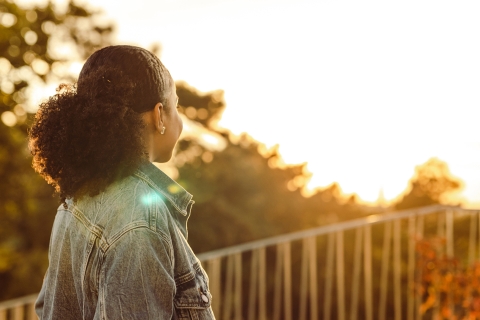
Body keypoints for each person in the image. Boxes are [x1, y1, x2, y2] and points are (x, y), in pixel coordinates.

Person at [29, 45, 216, 319]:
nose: (180, 119)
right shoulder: (142, 220)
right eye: (176, 106)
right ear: (159, 115)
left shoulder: (75, 198)